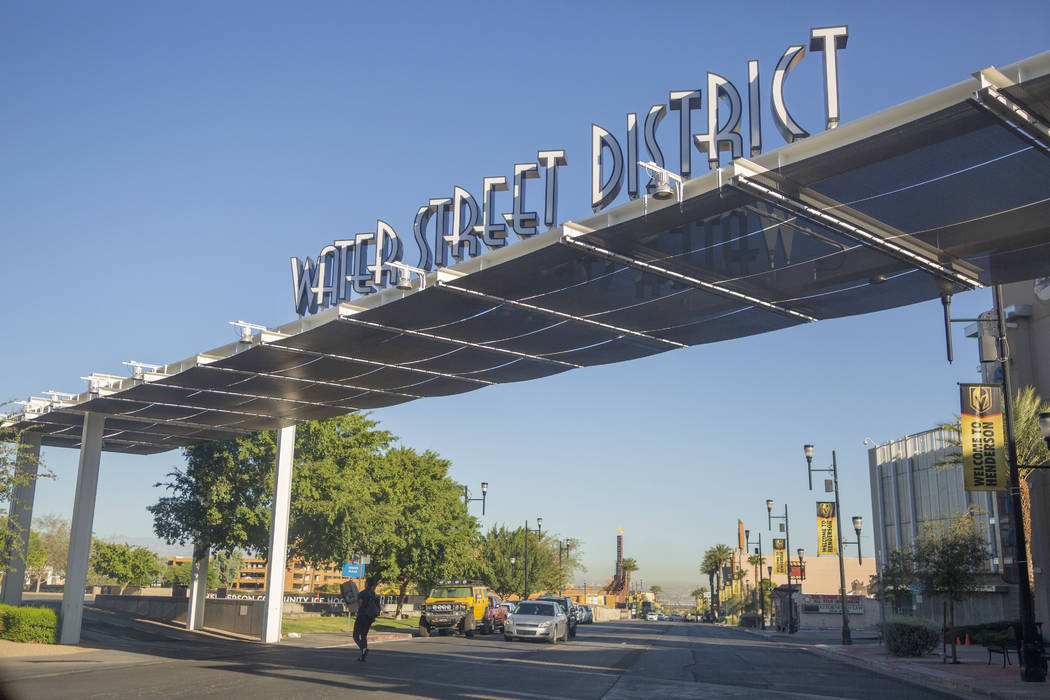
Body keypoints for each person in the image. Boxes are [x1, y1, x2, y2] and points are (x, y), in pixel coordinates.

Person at [354, 576, 381, 661]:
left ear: (367, 584)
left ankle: (363, 649)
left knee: (355, 635)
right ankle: (362, 656)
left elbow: (360, 604)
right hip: (370, 617)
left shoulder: (362, 593)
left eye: (365, 583)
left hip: (362, 616)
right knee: (364, 635)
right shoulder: (374, 595)